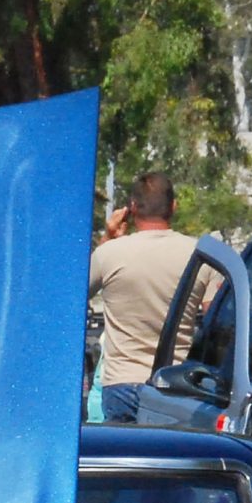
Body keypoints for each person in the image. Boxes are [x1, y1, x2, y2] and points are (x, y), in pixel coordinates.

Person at [86, 171, 219, 424]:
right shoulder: (202, 255)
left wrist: (108, 236)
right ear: (173, 206)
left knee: (124, 459)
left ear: (132, 208)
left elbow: (76, 296)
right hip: (177, 385)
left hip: (120, 384)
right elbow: (217, 320)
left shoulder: (109, 254)